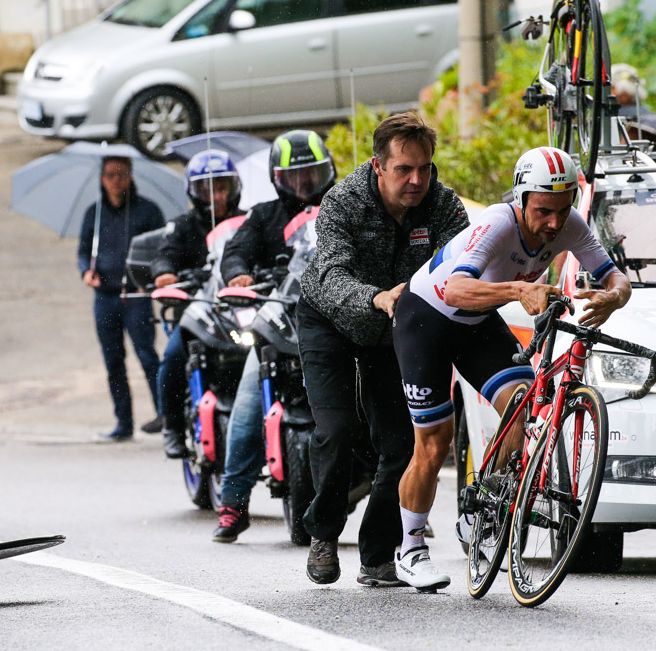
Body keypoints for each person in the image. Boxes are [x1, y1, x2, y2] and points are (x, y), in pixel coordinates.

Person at [389, 145, 632, 590]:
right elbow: (455, 289)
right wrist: (519, 291)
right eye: (543, 211)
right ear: (520, 200)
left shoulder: (569, 224)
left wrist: (613, 298)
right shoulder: (497, 223)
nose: (554, 223)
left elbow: (615, 277)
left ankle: (485, 506)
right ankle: (409, 549)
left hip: (476, 322)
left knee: (523, 407)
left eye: (562, 210)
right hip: (424, 317)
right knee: (435, 442)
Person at [297, 113, 468, 586]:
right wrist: (377, 296)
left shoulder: (444, 206)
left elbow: (466, 263)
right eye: (403, 170)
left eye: (425, 169)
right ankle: (324, 533)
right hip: (329, 318)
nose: (416, 180)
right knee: (337, 430)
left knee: (400, 446)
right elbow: (331, 275)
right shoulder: (343, 202)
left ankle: (377, 556)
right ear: (378, 166)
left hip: (396, 329)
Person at [212, 129, 335, 543]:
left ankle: (404, 501)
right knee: (248, 402)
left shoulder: (343, 205)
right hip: (282, 316)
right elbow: (234, 253)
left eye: (312, 174)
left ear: (328, 170)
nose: (304, 184)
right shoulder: (263, 215)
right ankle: (233, 503)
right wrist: (238, 274)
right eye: (294, 176)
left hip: (337, 317)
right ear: (277, 178)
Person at [153, 149, 244, 457]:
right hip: (197, 310)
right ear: (194, 191)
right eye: (207, 188)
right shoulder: (182, 226)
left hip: (241, 310)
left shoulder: (248, 222)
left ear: (234, 187)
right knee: (173, 356)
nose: (216, 195)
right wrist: (165, 273)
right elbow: (164, 255)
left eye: (222, 187)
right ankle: (172, 427)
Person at [78, 155, 166, 441]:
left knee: (147, 356)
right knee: (113, 361)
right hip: (104, 297)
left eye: (122, 174)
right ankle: (123, 422)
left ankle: (166, 415)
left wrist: (152, 278)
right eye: (110, 175)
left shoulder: (148, 211)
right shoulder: (94, 213)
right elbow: (82, 251)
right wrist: (85, 272)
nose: (116, 181)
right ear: (102, 179)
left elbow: (162, 250)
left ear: (131, 176)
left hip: (136, 295)